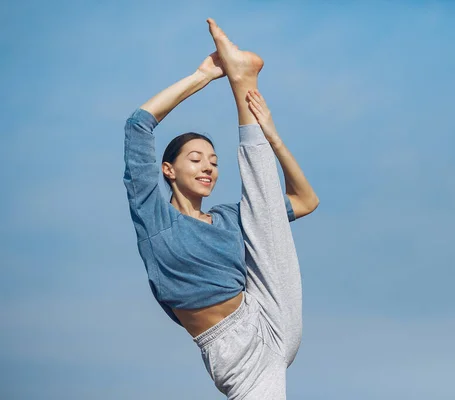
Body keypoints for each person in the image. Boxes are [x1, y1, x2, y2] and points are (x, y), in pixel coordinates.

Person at [122, 18, 318, 399]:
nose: (208, 166)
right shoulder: (155, 218)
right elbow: (138, 125)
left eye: (213, 161)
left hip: (269, 310)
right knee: (260, 211)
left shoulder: (229, 219)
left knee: (262, 211)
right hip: (236, 352)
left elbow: (306, 201)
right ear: (168, 170)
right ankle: (237, 77)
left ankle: (244, 83)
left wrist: (273, 136)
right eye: (195, 159)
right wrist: (202, 75)